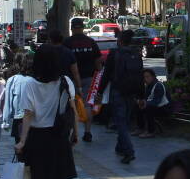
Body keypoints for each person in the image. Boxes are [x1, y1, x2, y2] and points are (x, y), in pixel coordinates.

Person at [15, 44, 78, 179]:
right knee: (58, 177)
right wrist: (76, 133)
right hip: (59, 137)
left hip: (38, 137)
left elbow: (27, 115)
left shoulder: (30, 84)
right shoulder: (65, 81)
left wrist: (22, 141)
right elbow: (72, 110)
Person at [96, 30, 143, 164]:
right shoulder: (136, 54)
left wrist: (99, 92)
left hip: (118, 91)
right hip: (132, 92)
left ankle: (129, 151)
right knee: (124, 121)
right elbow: (140, 76)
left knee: (120, 122)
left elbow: (106, 75)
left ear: (120, 41)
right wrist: (141, 96)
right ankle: (120, 147)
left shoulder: (114, 54)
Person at [63, 18, 101, 142]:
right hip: (89, 78)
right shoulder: (91, 42)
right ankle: (88, 132)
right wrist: (98, 77)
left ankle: (73, 132)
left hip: (71, 79)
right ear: (83, 28)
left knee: (70, 106)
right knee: (87, 105)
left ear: (72, 28)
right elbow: (98, 62)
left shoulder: (67, 43)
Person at [4, 51, 31, 143]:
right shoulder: (34, 80)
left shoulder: (12, 80)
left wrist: (6, 122)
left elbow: (8, 102)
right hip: (34, 119)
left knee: (19, 148)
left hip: (19, 119)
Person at [134, 69, 170, 138]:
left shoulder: (158, 85)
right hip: (156, 106)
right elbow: (147, 99)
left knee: (149, 108)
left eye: (148, 77)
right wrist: (140, 102)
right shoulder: (148, 86)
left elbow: (156, 101)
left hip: (164, 108)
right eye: (144, 77)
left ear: (153, 77)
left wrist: (144, 103)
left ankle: (151, 131)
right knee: (138, 106)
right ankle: (141, 128)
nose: (145, 79)